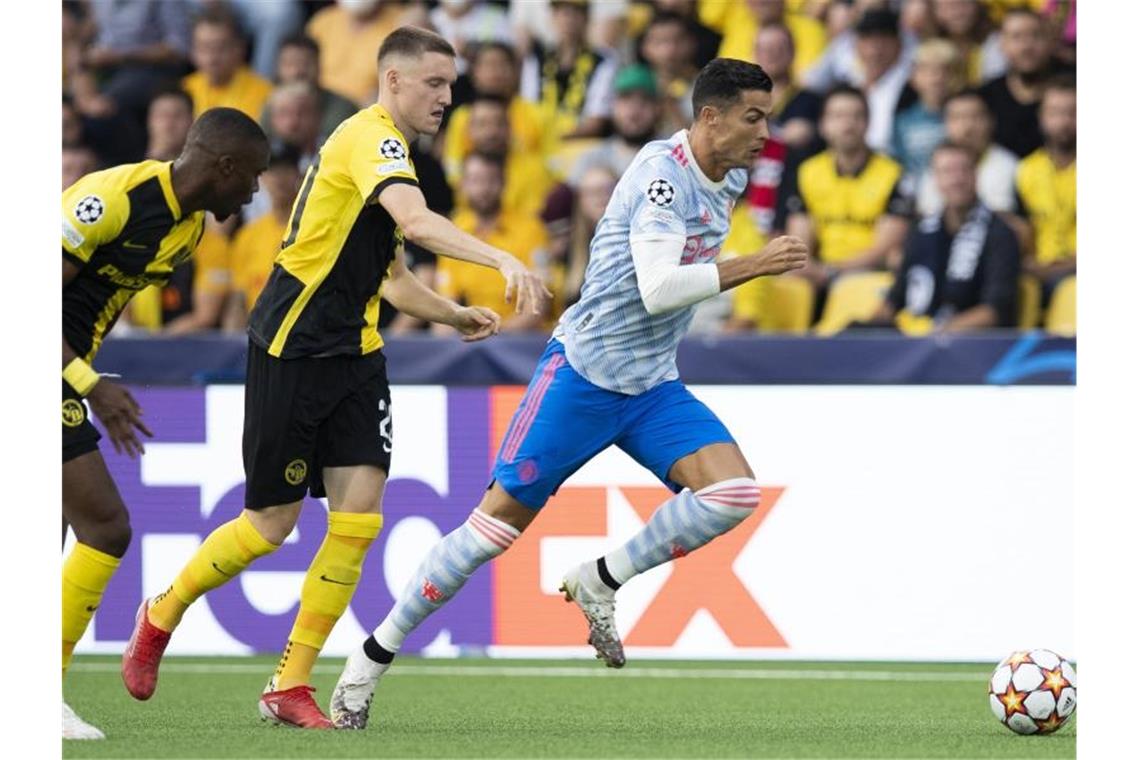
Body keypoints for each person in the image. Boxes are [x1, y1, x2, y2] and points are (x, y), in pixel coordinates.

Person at [328, 57, 809, 729]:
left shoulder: (727, 179)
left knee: (732, 494)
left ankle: (600, 579)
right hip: (582, 375)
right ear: (711, 116)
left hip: (650, 385)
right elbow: (659, 287)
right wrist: (756, 264)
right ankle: (367, 663)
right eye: (754, 117)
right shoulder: (663, 176)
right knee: (488, 533)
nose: (765, 133)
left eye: (768, 118)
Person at [120, 26, 549, 730]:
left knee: (358, 520)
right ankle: (161, 613)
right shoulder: (370, 136)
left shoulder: (397, 151)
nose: (448, 96)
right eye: (435, 83)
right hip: (292, 345)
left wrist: (449, 313)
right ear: (394, 81)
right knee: (268, 528)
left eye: (451, 83)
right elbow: (415, 219)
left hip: (357, 352)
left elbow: (390, 275)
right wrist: (500, 259)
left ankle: (290, 684)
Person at [62, 107, 270, 741]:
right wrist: (90, 386)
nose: (256, 191)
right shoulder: (109, 199)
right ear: (223, 166)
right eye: (253, 177)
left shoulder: (188, 232)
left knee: (87, 525)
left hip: (63, 373)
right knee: (104, 524)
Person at [868, 141, 1020, 332]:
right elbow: (895, 299)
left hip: (970, 347)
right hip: (915, 339)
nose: (956, 180)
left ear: (976, 174)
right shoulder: (921, 230)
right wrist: (865, 331)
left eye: (963, 170)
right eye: (947, 172)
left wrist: (936, 336)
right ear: (935, 179)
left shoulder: (1000, 233)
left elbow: (995, 311)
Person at [782, 85, 912, 303]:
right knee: (784, 286)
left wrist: (833, 272)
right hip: (818, 273)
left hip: (869, 274)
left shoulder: (893, 173)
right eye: (838, 116)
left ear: (868, 123)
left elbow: (885, 249)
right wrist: (815, 270)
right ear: (823, 125)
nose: (848, 124)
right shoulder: (808, 172)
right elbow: (798, 240)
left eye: (856, 116)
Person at [437, 152, 551, 332]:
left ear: (504, 183)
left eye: (491, 180)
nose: (484, 188)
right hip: (471, 338)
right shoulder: (456, 230)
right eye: (475, 180)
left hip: (523, 340)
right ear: (463, 184)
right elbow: (444, 303)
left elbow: (538, 304)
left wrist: (494, 333)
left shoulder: (531, 229)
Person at [225, 145, 304, 328]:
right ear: (263, 179)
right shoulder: (248, 235)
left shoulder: (314, 230)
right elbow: (238, 299)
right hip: (258, 333)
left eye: (286, 170)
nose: (279, 179)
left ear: (300, 175)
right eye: (272, 171)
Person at [519, 0, 619, 139]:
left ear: (587, 18)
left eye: (576, 13)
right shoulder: (536, 58)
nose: (569, 19)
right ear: (552, 17)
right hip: (539, 142)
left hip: (580, 144)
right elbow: (528, 107)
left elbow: (596, 120)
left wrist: (556, 138)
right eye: (563, 13)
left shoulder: (604, 61)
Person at [1015, 75, 1075, 302]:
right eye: (1055, 113)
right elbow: (1020, 228)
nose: (1064, 121)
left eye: (1073, 112)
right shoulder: (1025, 170)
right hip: (1035, 271)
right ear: (1042, 117)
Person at [915, 89, 1018, 217]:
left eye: (975, 117)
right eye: (957, 117)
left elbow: (1002, 221)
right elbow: (926, 217)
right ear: (945, 124)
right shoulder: (935, 163)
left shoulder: (1007, 166)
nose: (967, 127)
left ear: (991, 121)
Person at [979, 8, 1059, 158]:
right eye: (1016, 37)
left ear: (1051, 41)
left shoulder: (1075, 87)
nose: (1026, 46)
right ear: (1002, 44)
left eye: (1036, 36)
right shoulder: (986, 97)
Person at [569, 64, 664, 184]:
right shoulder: (592, 158)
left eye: (644, 101)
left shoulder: (672, 155)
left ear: (658, 108)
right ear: (612, 106)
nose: (634, 111)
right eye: (625, 99)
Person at [182, 7, 274, 121]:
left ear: (240, 48)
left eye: (220, 48)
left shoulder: (265, 94)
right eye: (204, 47)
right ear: (192, 50)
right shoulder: (185, 90)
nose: (212, 57)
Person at [890, 38, 961, 184]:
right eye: (927, 70)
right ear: (913, 76)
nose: (937, 77)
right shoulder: (903, 121)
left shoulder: (965, 116)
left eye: (945, 70)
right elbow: (899, 164)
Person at [270, 34, 360, 143]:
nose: (297, 72)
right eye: (290, 64)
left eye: (306, 64)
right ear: (278, 68)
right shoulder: (271, 103)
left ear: (319, 66)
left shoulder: (343, 110)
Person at [145, 89, 195, 162]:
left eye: (177, 116)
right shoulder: (127, 169)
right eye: (162, 115)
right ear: (149, 119)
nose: (169, 124)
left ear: (192, 121)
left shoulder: (208, 171)